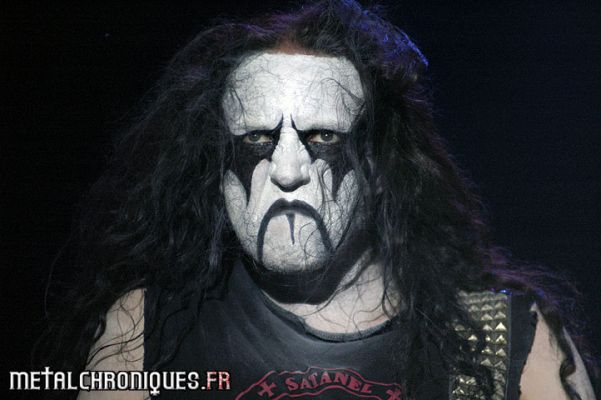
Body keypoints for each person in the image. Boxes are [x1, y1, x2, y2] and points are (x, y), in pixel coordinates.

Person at [39, 1, 598, 399]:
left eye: (324, 136)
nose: (287, 171)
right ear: (217, 167)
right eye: (256, 139)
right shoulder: (146, 328)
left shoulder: (501, 342)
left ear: (379, 164)